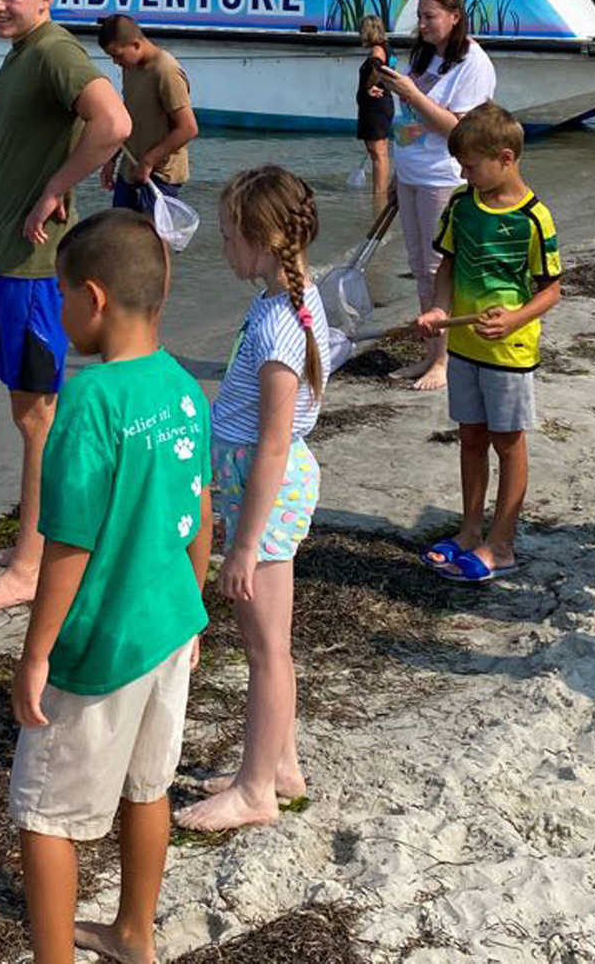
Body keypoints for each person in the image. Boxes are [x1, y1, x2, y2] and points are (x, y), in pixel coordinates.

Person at [9, 208, 212, 964]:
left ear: (92, 297)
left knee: (45, 815)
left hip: (102, 645)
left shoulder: (90, 403)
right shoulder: (183, 385)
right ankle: (134, 932)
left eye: (61, 294)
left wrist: (36, 655)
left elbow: (68, 544)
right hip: (168, 626)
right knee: (146, 785)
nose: (59, 311)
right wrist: (193, 615)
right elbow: (199, 514)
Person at [0, 0, 132, 615]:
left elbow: (115, 121)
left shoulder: (55, 51)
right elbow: (10, 160)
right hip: (5, 256)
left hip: (34, 267)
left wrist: (58, 186)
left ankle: (31, 566)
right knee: (29, 411)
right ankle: (34, 540)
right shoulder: (20, 56)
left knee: (36, 415)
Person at [177, 166, 330, 832]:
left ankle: (255, 790)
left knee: (267, 648)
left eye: (230, 235)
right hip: (260, 484)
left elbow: (272, 443)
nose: (223, 247)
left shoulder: (277, 328)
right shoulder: (289, 299)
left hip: (264, 493)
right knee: (269, 641)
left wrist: (243, 543)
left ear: (266, 240)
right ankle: (281, 765)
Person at [416, 104, 562, 583]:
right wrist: (440, 310)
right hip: (464, 347)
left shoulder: (535, 217)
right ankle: (469, 529)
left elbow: (551, 289)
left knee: (508, 442)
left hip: (509, 353)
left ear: (505, 157)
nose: (464, 173)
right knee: (471, 436)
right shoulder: (462, 204)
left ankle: (502, 543)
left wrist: (516, 318)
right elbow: (448, 267)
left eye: (470, 166)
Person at [373, 0, 496, 389]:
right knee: (418, 269)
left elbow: (459, 129)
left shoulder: (473, 62)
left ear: (455, 17)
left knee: (437, 268)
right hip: (411, 170)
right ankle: (430, 355)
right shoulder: (427, 54)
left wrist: (411, 93)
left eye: (430, 17)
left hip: (444, 176)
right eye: (420, 16)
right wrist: (395, 173)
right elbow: (408, 123)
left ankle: (443, 362)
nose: (422, 24)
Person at [94, 15, 196, 216]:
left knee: (152, 238)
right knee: (120, 230)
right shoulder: (130, 67)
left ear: (136, 44)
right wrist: (111, 158)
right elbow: (129, 113)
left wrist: (149, 161)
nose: (115, 62)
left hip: (160, 173)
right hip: (131, 167)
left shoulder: (165, 71)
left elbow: (188, 128)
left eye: (118, 55)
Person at [353, 17, 395, 222]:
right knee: (379, 153)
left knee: (378, 154)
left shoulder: (378, 50)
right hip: (381, 106)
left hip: (376, 108)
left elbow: (377, 68)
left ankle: (379, 196)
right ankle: (380, 194)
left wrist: (369, 86)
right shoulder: (387, 48)